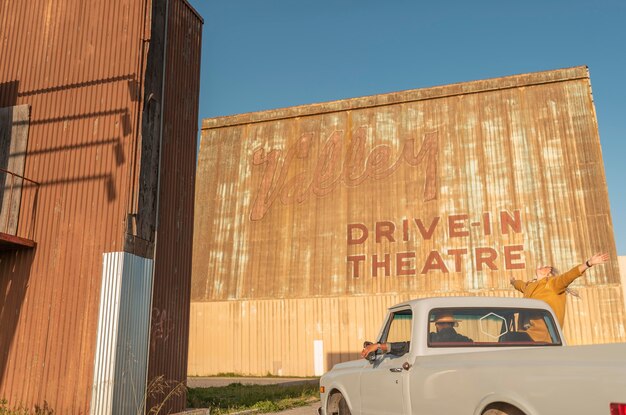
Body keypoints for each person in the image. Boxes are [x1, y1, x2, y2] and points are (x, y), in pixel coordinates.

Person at [509, 252, 609, 340]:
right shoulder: (529, 286)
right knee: (509, 338)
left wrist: (588, 263)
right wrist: (513, 282)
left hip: (542, 337)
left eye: (546, 266)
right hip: (524, 334)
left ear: (549, 272)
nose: (542, 267)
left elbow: (569, 276)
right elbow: (520, 285)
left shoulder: (553, 284)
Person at [360, 311, 471, 359]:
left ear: (437, 325)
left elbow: (406, 346)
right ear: (453, 324)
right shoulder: (466, 341)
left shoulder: (431, 338)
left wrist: (379, 346)